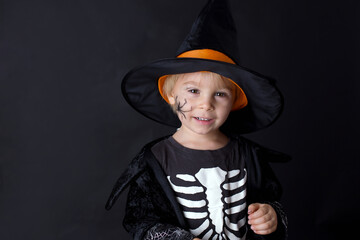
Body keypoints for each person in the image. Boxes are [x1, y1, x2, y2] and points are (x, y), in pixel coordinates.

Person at [105, 0, 290, 239]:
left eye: (220, 94)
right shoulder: (154, 160)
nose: (206, 104)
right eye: (193, 91)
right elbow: (140, 222)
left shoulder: (249, 156)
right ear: (171, 94)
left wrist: (271, 214)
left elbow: (271, 199)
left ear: (234, 102)